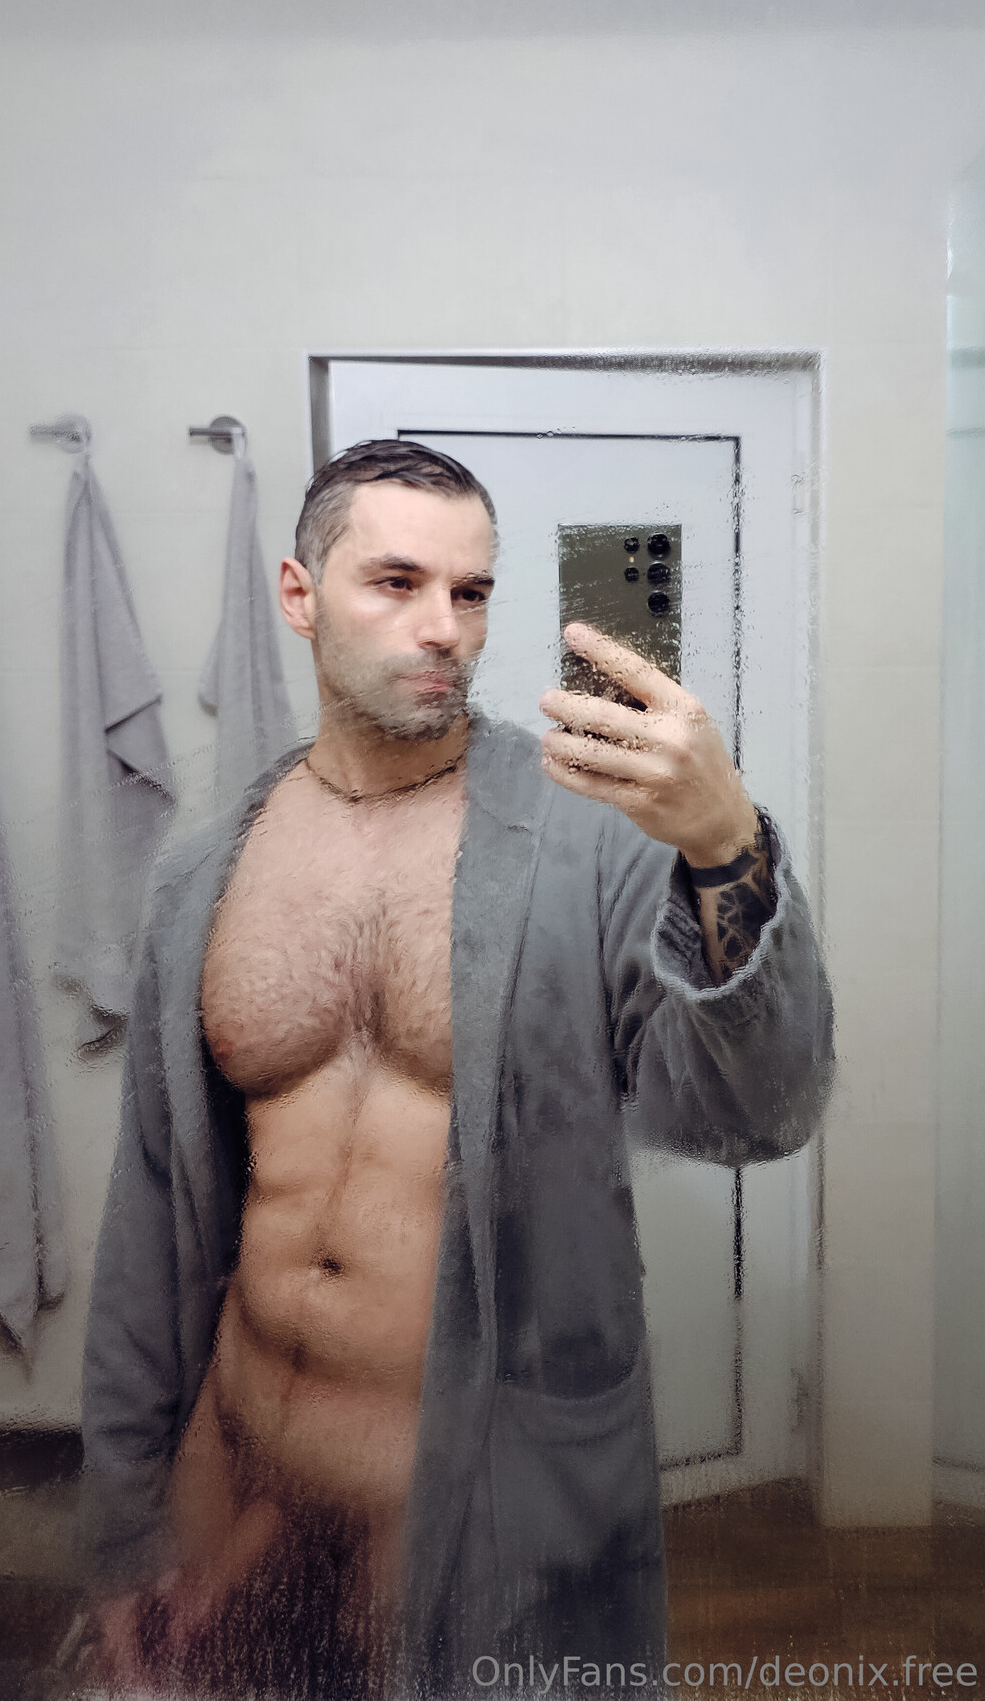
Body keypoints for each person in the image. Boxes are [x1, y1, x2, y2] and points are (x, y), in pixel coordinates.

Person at [75, 440, 835, 1700]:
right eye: (397, 582)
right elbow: (150, 1216)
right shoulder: (207, 871)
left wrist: (725, 845)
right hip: (234, 1482)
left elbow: (760, 1112)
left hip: (472, 1508)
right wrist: (120, 1517)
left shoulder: (589, 842)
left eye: (471, 592)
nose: (445, 627)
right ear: (299, 593)